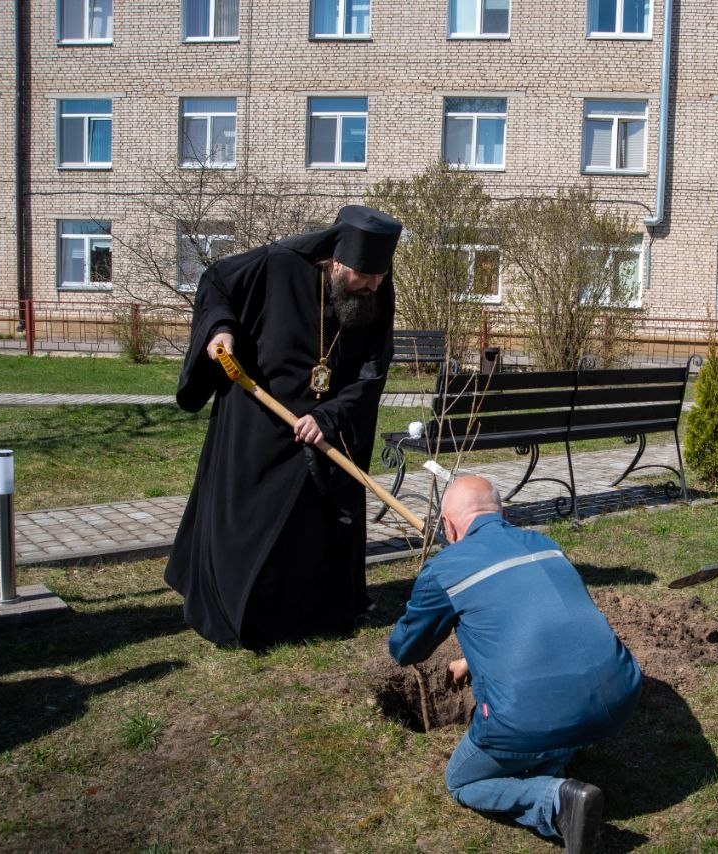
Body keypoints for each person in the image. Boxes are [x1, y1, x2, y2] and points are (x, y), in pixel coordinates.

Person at [165, 205, 403, 651]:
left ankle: (314, 617)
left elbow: (374, 367)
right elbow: (216, 282)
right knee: (255, 521)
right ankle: (245, 616)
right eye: (365, 276)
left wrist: (330, 416)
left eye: (380, 276)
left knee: (315, 524)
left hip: (329, 423)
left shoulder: (377, 289)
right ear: (336, 263)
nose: (374, 285)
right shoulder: (277, 263)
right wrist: (221, 329)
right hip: (259, 415)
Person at [389, 476, 641, 853]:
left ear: (448, 525)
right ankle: (553, 757)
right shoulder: (545, 546)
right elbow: (541, 621)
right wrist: (471, 659)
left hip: (528, 718)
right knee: (552, 721)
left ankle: (556, 801)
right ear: (502, 512)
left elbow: (406, 650)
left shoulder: (445, 570)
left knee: (462, 781)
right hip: (619, 696)